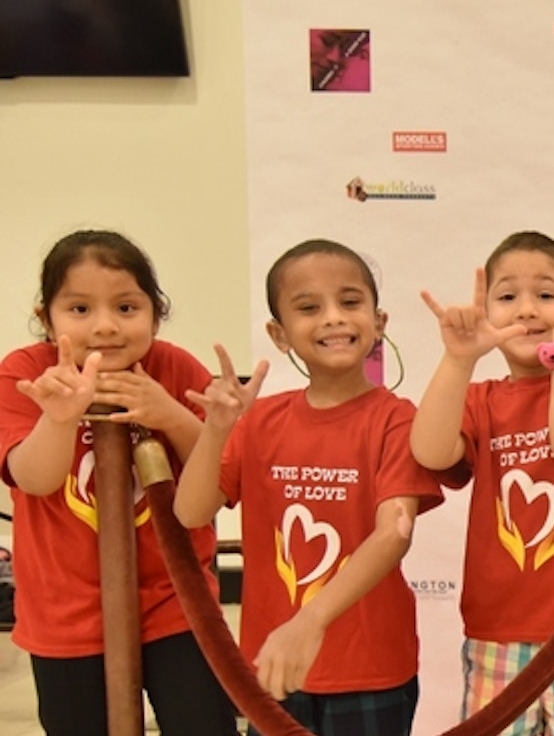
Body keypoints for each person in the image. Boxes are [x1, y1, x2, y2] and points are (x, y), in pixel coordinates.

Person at [174, 239, 443, 736]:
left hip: (371, 668)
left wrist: (310, 621)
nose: (334, 318)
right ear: (279, 334)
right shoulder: (261, 421)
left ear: (379, 322)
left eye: (350, 302)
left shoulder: (396, 420)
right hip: (277, 668)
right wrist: (216, 429)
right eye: (308, 307)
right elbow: (191, 512)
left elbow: (394, 533)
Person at [0, 229, 237, 735]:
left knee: (204, 724)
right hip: (65, 612)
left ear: (155, 311)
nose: (105, 327)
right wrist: (60, 418)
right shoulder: (27, 373)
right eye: (80, 309)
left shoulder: (172, 367)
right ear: (47, 318)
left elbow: (219, 472)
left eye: (126, 308)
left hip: (176, 605)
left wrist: (170, 413)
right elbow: (33, 479)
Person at [410, 230, 554, 735]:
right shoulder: (481, 398)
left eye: (545, 294)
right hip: (497, 631)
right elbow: (429, 451)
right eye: (508, 297)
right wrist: (458, 358)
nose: (526, 310)